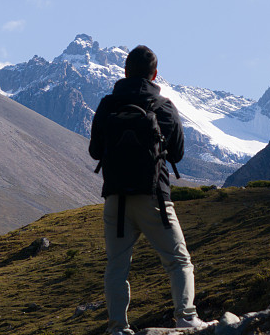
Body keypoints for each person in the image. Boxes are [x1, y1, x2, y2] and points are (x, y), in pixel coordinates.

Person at [89, 45, 212, 335]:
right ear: (155, 74)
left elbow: (95, 151)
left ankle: (118, 327)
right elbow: (178, 154)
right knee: (178, 261)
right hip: (154, 197)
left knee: (117, 266)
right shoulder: (164, 106)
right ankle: (186, 317)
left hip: (116, 200)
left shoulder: (108, 105)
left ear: (124, 71)